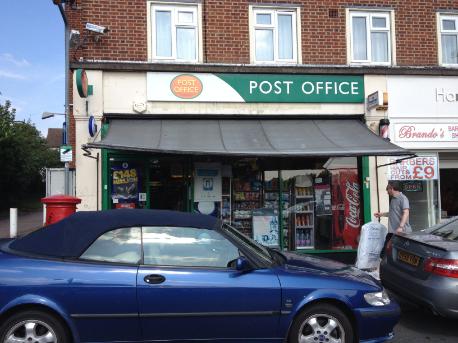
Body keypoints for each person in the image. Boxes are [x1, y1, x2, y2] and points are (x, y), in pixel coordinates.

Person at [374, 181, 412, 258]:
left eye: (387, 189)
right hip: (393, 231)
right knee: (387, 251)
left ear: (391, 189)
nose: (387, 192)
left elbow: (406, 212)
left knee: (399, 253)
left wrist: (400, 227)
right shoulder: (393, 199)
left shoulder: (403, 198)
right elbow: (392, 213)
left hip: (402, 232)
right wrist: (381, 214)